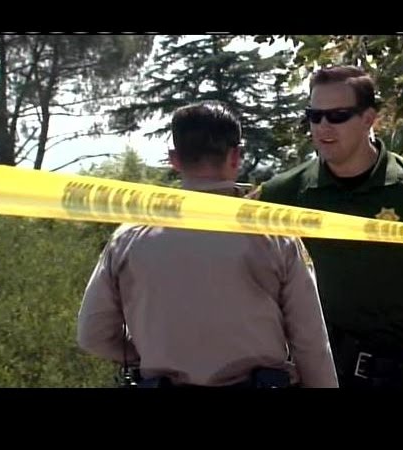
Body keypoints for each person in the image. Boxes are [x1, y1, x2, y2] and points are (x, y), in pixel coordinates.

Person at [255, 66, 403, 388]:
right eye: (314, 116)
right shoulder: (282, 194)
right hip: (311, 375)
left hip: (402, 375)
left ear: (368, 119)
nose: (323, 126)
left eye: (338, 116)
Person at [77, 101, 338, 388]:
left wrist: (149, 351)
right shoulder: (275, 235)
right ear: (235, 156)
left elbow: (92, 335)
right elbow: (311, 344)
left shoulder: (128, 238)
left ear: (174, 159)